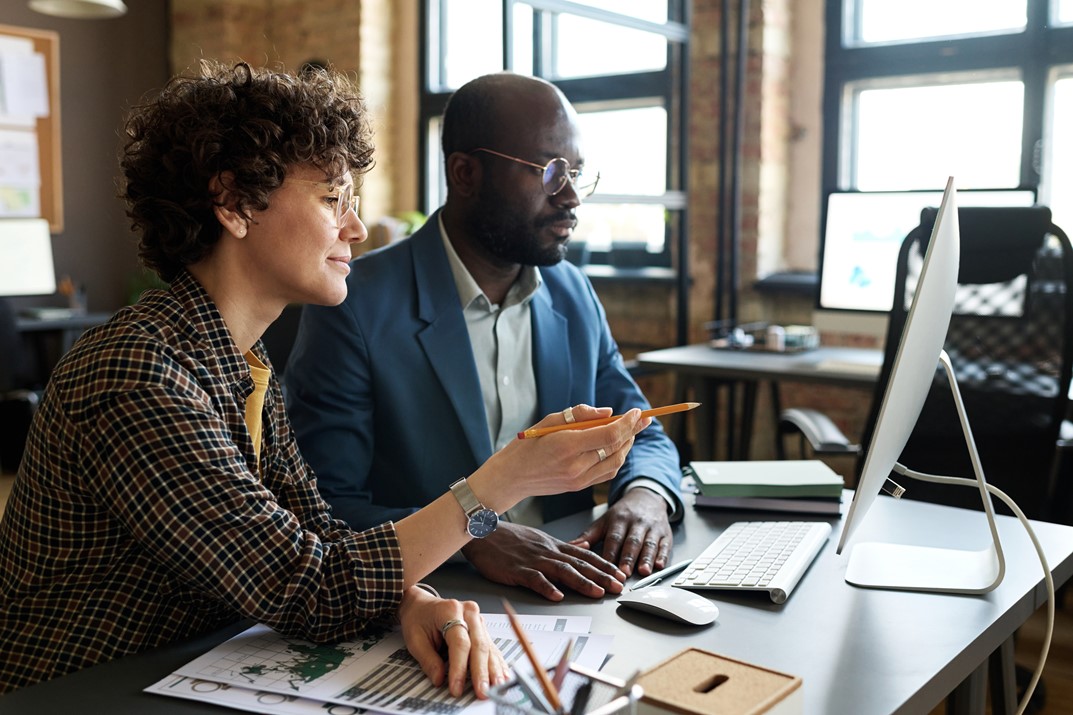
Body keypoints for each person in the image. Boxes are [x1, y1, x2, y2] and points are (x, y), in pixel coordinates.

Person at [0, 61, 650, 695]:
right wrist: (506, 478)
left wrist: (411, 601)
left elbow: (319, 536)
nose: (356, 228)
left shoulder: (244, 366)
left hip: (189, 673)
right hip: (72, 690)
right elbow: (302, 584)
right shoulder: (136, 373)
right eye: (331, 197)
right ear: (233, 203)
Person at [284, 72, 684, 603]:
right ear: (466, 173)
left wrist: (645, 496)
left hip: (580, 587)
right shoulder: (354, 304)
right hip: (437, 596)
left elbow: (643, 429)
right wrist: (475, 537)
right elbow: (326, 505)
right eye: (550, 172)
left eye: (577, 174)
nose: (570, 199)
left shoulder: (572, 293)